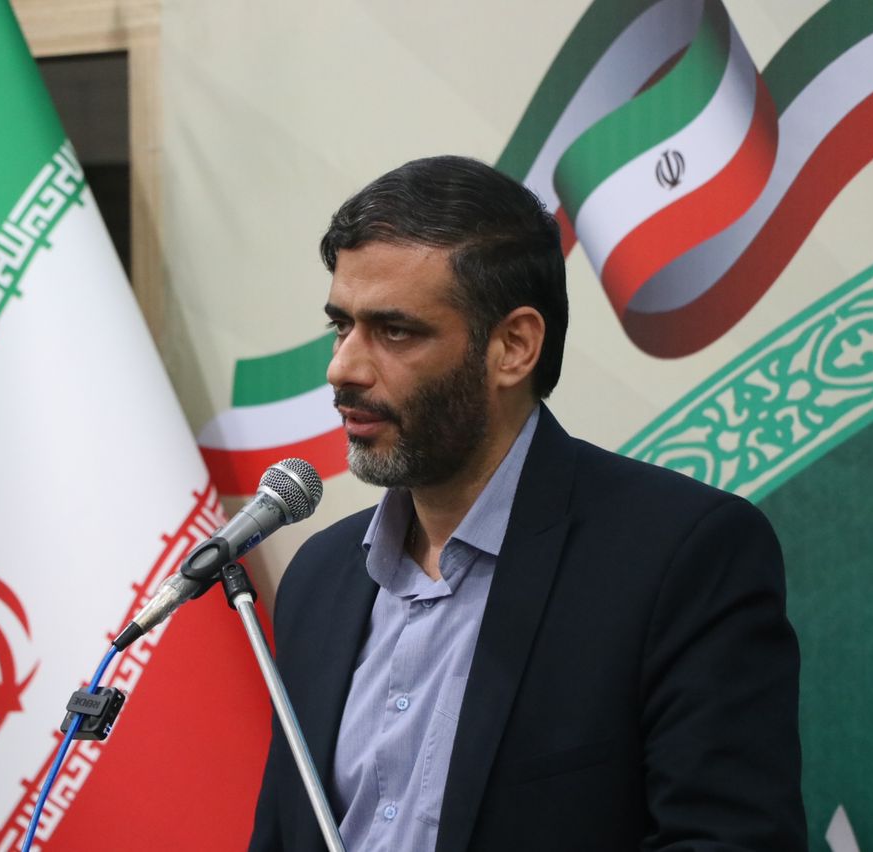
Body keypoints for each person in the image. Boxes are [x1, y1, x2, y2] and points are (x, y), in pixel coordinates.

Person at [248, 156, 806, 851]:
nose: (343, 368)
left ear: (513, 347)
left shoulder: (682, 557)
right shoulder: (319, 578)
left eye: (395, 331)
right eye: (342, 326)